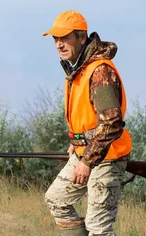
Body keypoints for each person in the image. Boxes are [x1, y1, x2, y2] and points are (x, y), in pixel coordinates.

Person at [42, 10, 132, 236]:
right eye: (56, 39)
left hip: (107, 157)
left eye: (65, 38)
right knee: (56, 199)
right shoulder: (77, 69)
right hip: (87, 152)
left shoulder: (99, 70)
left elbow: (111, 123)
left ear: (82, 38)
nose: (59, 44)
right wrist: (76, 138)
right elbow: (88, 116)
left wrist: (87, 162)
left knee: (98, 229)